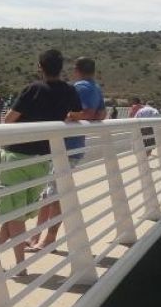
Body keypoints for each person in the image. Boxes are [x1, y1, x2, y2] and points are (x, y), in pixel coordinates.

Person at [0, 49, 82, 267]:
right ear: (61, 68)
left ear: (40, 67)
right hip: (43, 158)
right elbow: (78, 114)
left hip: (17, 155)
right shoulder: (69, 91)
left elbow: (9, 119)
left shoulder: (32, 89)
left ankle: (20, 264)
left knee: (14, 210)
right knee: (17, 209)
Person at [27, 57, 104, 253]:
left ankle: (49, 238)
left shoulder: (80, 88)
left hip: (66, 146)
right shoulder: (96, 88)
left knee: (55, 195)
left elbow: (87, 112)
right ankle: (36, 235)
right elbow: (100, 114)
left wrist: (69, 115)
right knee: (48, 194)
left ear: (76, 70)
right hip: (70, 145)